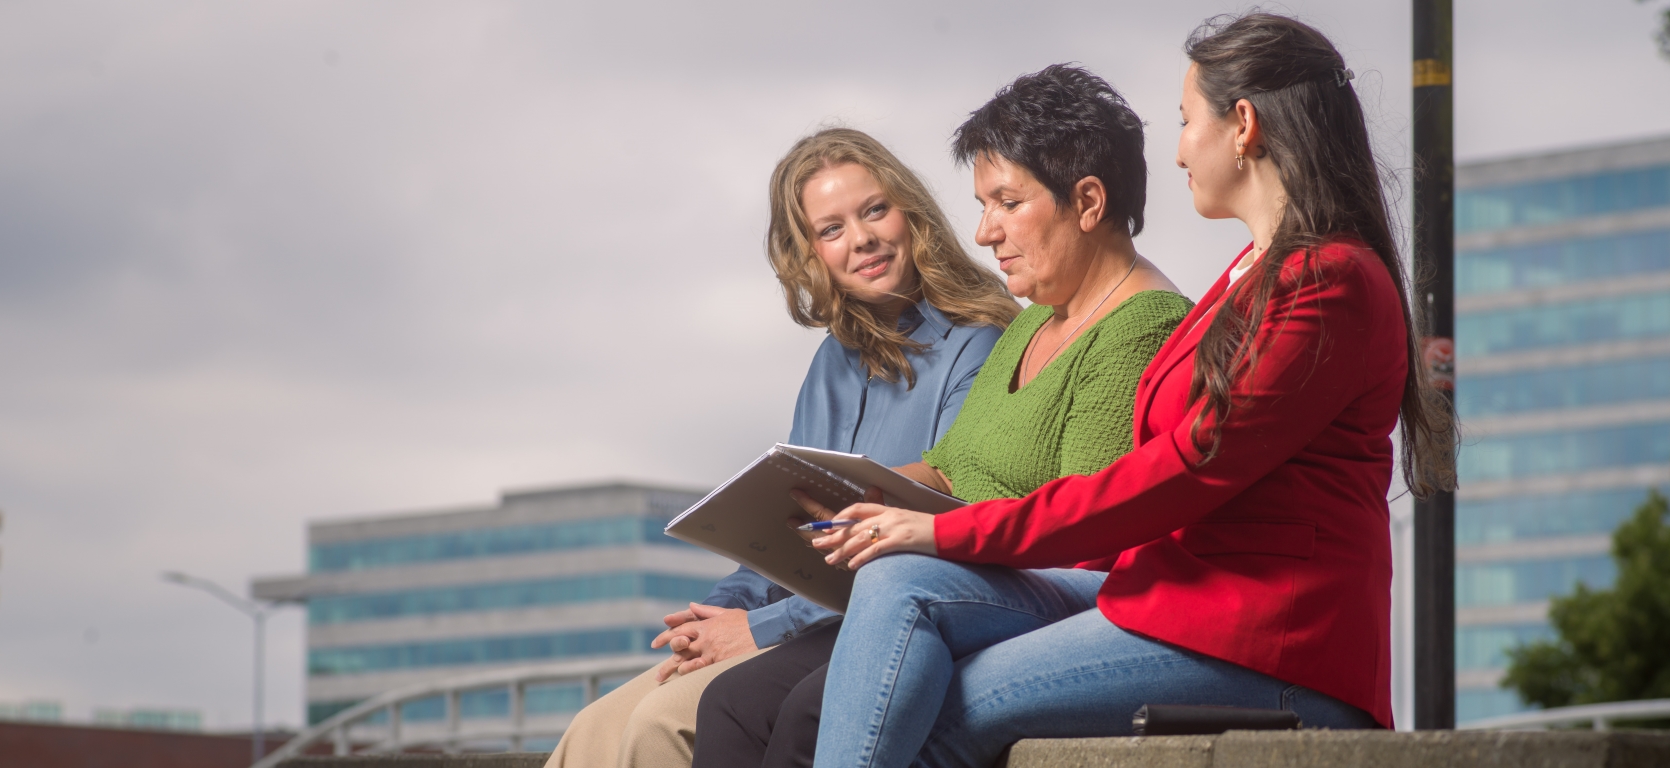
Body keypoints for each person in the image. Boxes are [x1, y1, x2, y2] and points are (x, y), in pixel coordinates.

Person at [800, 13, 1459, 768]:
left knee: (940, 716)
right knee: (897, 584)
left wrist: (944, 530)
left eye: (1186, 121)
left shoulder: (1328, 283)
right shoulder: (1248, 277)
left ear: (1242, 125)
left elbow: (1185, 467)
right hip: (1168, 600)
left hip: (1263, 640)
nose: (1177, 147)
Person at [692, 66, 1191, 768]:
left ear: (1086, 202)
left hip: (1030, 592)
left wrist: (927, 531)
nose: (985, 231)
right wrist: (856, 494)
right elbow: (954, 464)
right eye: (984, 204)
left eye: (1006, 202)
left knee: (813, 704)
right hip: (969, 576)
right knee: (734, 704)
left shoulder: (1139, 329)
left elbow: (1086, 530)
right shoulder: (1036, 324)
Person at [542, 127, 1019, 768]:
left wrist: (756, 629)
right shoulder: (832, 364)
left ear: (912, 214)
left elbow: (935, 535)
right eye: (832, 229)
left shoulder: (979, 342)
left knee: (660, 724)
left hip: (886, 620)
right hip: (805, 620)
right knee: (593, 731)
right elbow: (788, 537)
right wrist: (717, 615)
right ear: (810, 253)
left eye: (875, 210)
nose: (862, 240)